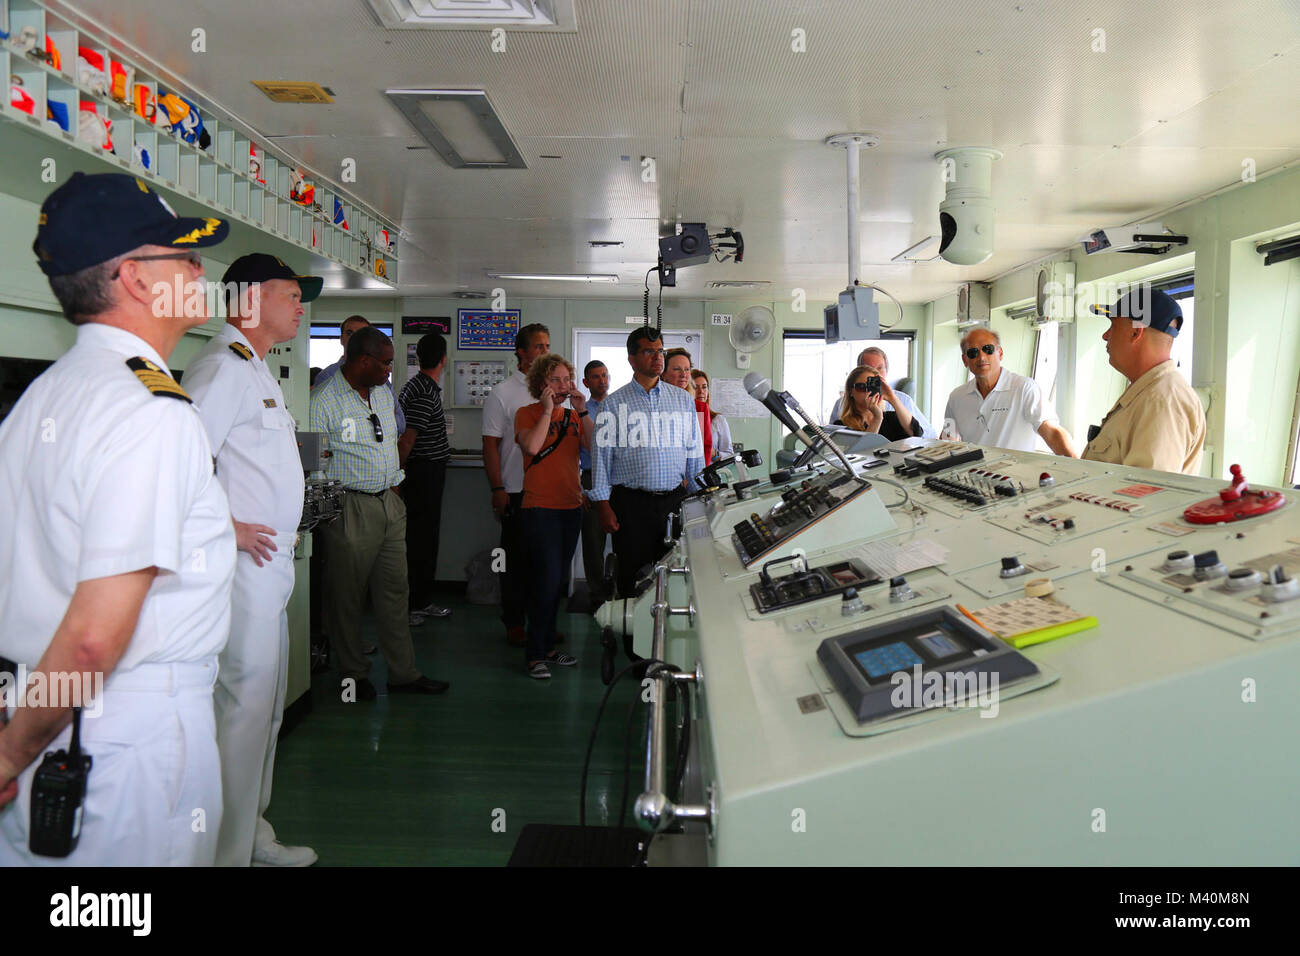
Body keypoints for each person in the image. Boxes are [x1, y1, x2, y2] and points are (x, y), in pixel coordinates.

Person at [0, 172, 236, 865]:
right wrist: (9, 755)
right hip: (123, 738)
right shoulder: (148, 413)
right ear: (135, 278)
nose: (199, 269)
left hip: (42, 718)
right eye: (184, 256)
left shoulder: (44, 399)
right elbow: (91, 642)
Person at [184, 252, 320, 867]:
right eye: (290, 294)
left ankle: (251, 834)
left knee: (263, 709)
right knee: (241, 707)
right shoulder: (221, 367)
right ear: (249, 298)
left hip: (272, 566)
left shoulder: (258, 368)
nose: (299, 305)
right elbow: (182, 465)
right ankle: (222, 853)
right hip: (240, 568)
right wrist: (227, 526)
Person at [309, 326, 449, 700]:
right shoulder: (323, 400)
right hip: (349, 506)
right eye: (385, 363)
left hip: (389, 502)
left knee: (394, 593)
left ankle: (404, 674)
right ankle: (353, 674)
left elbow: (390, 443)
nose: (391, 369)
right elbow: (314, 467)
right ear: (363, 361)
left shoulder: (384, 394)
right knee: (347, 596)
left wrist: (394, 485)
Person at [591, 327, 704, 597]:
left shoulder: (682, 400)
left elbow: (694, 453)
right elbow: (601, 460)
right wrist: (603, 505)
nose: (657, 357)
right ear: (632, 358)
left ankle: (667, 636)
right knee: (630, 575)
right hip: (631, 505)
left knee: (674, 574)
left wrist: (699, 498)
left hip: (673, 503)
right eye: (649, 351)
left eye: (660, 351)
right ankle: (632, 637)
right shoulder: (613, 404)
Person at [514, 354, 594, 678]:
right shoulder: (526, 413)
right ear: (541, 384)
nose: (563, 386)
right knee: (543, 582)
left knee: (558, 581)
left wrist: (583, 410)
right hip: (539, 509)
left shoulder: (574, 417)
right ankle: (534, 654)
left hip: (570, 508)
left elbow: (593, 446)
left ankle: (547, 647)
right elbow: (532, 447)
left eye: (566, 379)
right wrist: (548, 411)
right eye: (555, 380)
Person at [1082, 290, 1205, 474]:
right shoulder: (1149, 392)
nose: (1105, 336)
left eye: (1113, 326)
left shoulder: (1161, 402)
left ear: (1135, 332)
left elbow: (1146, 493)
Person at [481, 323, 551, 646]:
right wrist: (497, 489)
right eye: (538, 346)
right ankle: (514, 622)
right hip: (516, 490)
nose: (544, 352)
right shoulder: (503, 393)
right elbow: (490, 446)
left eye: (547, 346)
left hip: (549, 492)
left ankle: (542, 625)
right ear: (521, 353)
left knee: (545, 565)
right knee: (514, 563)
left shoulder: (553, 390)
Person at [943, 328, 1077, 456]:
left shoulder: (1024, 388)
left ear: (1000, 353)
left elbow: (1053, 433)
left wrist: (1082, 467)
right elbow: (947, 441)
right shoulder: (956, 397)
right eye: (973, 353)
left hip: (1017, 477)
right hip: (973, 476)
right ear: (965, 360)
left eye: (988, 349)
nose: (981, 357)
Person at [398, 332, 452, 626]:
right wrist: (397, 478)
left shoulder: (418, 386)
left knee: (424, 537)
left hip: (425, 471)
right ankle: (414, 604)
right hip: (422, 473)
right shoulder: (424, 391)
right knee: (420, 539)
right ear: (444, 359)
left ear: (418, 357)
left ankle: (422, 600)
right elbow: (407, 441)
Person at [314, 315, 405, 434]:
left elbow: (400, 424)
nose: (355, 339)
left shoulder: (382, 381)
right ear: (341, 339)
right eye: (350, 333)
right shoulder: (327, 377)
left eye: (362, 335)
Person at [826, 347, 936, 438]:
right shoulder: (842, 426)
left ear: (886, 370)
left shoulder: (893, 417)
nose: (868, 390)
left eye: (880, 369)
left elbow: (919, 433)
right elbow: (860, 452)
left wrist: (892, 398)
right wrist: (877, 418)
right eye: (862, 387)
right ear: (850, 391)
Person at [579, 360, 611, 607]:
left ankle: (623, 591)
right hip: (590, 476)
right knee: (592, 540)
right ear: (586, 383)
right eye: (596, 377)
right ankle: (597, 594)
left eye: (604, 375)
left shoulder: (619, 405)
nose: (602, 380)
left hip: (618, 478)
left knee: (625, 536)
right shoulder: (579, 411)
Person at [665, 347, 711, 462]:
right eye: (677, 369)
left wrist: (695, 477)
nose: (683, 374)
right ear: (663, 373)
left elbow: (705, 448)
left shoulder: (700, 408)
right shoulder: (653, 406)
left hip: (691, 475)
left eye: (687, 369)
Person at [692, 369, 733, 460]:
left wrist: (714, 454)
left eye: (704, 387)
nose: (701, 391)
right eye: (695, 387)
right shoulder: (681, 419)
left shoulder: (718, 420)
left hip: (710, 471)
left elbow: (730, 454)